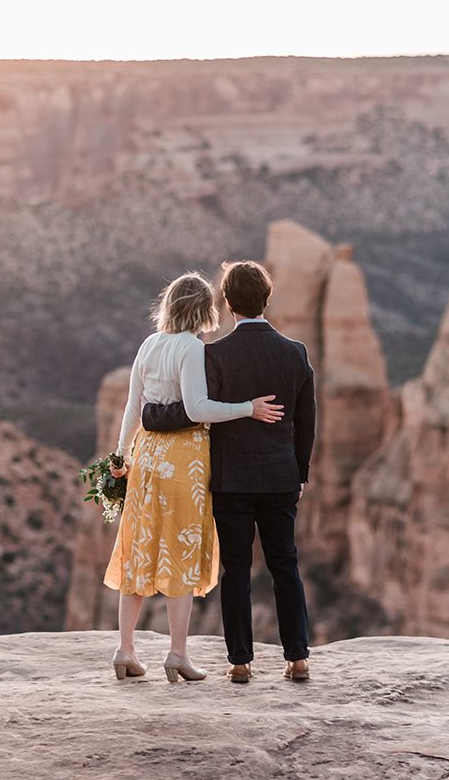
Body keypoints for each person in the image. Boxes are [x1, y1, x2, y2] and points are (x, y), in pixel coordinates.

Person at [104, 271, 284, 683]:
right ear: (203, 310)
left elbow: (134, 408)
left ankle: (125, 649)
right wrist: (247, 408)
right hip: (184, 460)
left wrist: (121, 455)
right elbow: (199, 408)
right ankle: (177, 654)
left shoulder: (149, 345)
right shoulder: (192, 348)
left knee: (139, 549)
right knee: (179, 551)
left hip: (147, 459)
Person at [143, 260, 315, 684]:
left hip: (230, 480)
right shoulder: (295, 352)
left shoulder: (215, 354)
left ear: (228, 303)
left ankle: (240, 661)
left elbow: (199, 415)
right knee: (285, 566)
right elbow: (306, 419)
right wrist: (301, 471)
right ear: (266, 299)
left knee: (235, 569)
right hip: (279, 478)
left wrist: (151, 417)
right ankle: (297, 658)